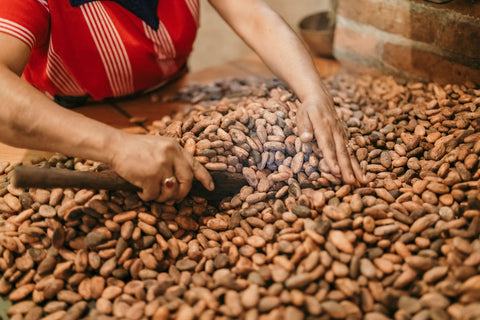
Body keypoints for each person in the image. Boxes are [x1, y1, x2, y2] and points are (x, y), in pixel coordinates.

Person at [0, 0, 365, 203]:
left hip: (177, 104)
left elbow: (254, 17)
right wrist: (114, 146)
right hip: (73, 126)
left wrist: (313, 93)